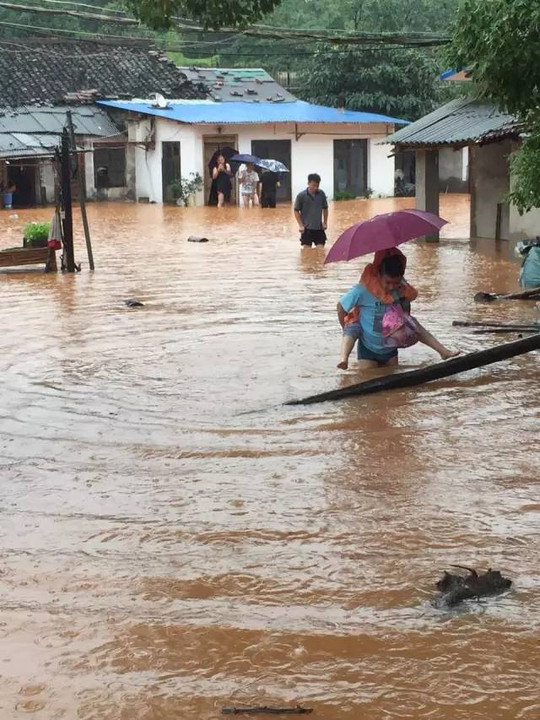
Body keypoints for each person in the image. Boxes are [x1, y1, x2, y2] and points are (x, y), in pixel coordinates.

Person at [336, 248, 459, 370]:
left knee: (415, 326)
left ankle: (443, 352)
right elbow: (341, 306)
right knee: (366, 374)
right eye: (388, 282)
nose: (391, 287)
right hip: (368, 348)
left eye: (395, 283)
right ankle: (343, 358)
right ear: (379, 274)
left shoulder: (401, 290)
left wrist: (406, 322)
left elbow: (406, 311)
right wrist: (345, 326)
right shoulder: (363, 290)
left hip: (390, 349)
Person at [294, 173, 328, 247]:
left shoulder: (321, 194)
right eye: (313, 185)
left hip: (319, 227)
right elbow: (296, 210)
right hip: (306, 229)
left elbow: (325, 208)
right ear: (308, 183)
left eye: (317, 185)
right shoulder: (301, 196)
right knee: (307, 252)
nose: (315, 188)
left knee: (321, 251)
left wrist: (325, 222)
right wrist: (300, 225)